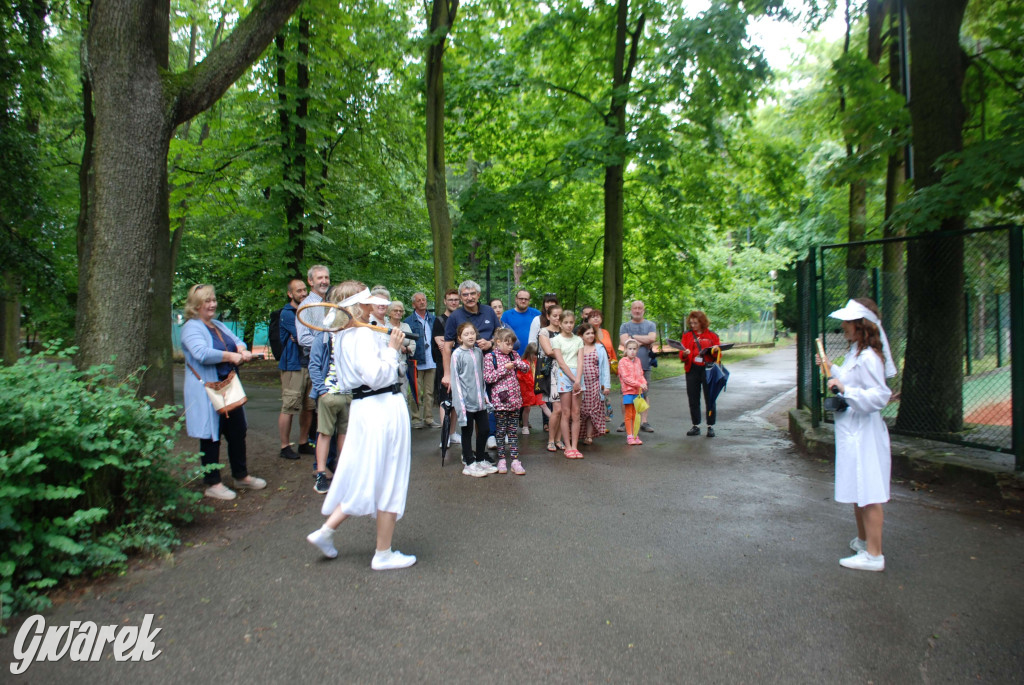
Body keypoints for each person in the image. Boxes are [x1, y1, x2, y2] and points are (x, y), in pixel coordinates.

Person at [306, 282, 416, 571]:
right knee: (389, 476)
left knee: (367, 474)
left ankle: (326, 531)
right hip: (382, 407)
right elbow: (376, 375)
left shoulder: (344, 334)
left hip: (366, 409)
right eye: (367, 301)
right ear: (359, 305)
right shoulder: (362, 333)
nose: (373, 305)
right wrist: (392, 350)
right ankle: (383, 553)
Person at [820, 298, 895, 573]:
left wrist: (845, 390)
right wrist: (832, 369)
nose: (843, 326)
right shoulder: (855, 354)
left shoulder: (869, 358)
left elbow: (879, 396)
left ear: (860, 325)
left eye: (847, 322)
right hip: (852, 430)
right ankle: (864, 541)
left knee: (869, 491)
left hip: (864, 432)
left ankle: (874, 555)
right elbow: (849, 382)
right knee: (857, 488)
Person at [181, 284, 265, 500]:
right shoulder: (192, 327)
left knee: (237, 431)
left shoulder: (217, 324)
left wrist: (242, 350)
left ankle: (241, 476)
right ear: (196, 305)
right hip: (208, 390)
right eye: (207, 301)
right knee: (211, 435)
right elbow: (201, 353)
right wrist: (230, 357)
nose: (212, 304)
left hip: (228, 388)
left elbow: (236, 341)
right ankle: (213, 483)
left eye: (213, 300)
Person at [441, 280, 499, 449]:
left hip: (489, 366)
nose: (469, 297)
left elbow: (499, 334)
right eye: (465, 295)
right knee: (471, 409)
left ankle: (488, 440)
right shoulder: (455, 317)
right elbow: (447, 346)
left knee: (488, 405)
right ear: (460, 297)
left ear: (478, 295)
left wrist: (490, 343)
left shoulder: (489, 311)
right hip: (466, 371)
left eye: (472, 293)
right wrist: (447, 374)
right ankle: (468, 452)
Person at [307, 285, 350, 495]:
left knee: (344, 434)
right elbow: (314, 365)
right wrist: (322, 390)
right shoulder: (323, 336)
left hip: (347, 393)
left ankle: (342, 473)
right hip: (329, 394)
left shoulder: (351, 334)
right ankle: (321, 474)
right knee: (324, 434)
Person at [449, 322, 496, 478]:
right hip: (465, 402)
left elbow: (481, 377)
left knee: (484, 429)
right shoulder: (457, 355)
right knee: (467, 432)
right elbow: (455, 381)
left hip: (480, 401)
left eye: (472, 333)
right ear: (460, 338)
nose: (470, 336)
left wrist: (485, 396)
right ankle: (469, 463)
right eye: (466, 334)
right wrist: (460, 403)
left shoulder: (478, 352)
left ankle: (481, 458)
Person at [482, 328, 530, 475]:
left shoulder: (514, 355)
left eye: (512, 344)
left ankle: (515, 460)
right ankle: (502, 458)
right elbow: (488, 378)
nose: (510, 347)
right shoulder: (490, 357)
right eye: (507, 344)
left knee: (513, 432)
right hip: (500, 400)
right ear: (498, 342)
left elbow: (526, 368)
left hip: (515, 399)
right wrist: (504, 368)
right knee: (501, 431)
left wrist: (517, 363)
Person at [278, 278, 316, 459]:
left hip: (309, 364)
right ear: (290, 294)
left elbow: (311, 333)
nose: (303, 294)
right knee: (290, 405)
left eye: (304, 290)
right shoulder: (287, 313)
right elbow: (301, 335)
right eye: (298, 291)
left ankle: (303, 442)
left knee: (309, 406)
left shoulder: (308, 310)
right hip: (293, 365)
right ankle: (284, 446)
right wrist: (306, 334)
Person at [295, 265, 330, 448]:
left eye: (326, 277)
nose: (324, 281)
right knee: (316, 406)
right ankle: (320, 454)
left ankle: (324, 449)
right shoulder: (306, 306)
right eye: (319, 278)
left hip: (331, 366)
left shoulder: (330, 304)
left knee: (324, 409)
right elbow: (303, 338)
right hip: (315, 364)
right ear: (310, 281)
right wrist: (325, 345)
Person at [679, 310, 722, 438]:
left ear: (702, 322)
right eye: (691, 323)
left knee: (710, 398)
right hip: (692, 369)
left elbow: (718, 354)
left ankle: (710, 426)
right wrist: (685, 354)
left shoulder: (712, 335)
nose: (693, 325)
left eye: (696, 323)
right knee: (693, 398)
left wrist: (714, 351)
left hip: (708, 369)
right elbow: (681, 354)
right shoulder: (687, 335)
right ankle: (695, 425)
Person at [618, 300, 657, 433]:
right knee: (626, 394)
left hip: (645, 365)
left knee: (644, 393)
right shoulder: (625, 326)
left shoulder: (650, 325)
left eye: (640, 308)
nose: (637, 310)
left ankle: (644, 421)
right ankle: (626, 420)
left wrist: (633, 337)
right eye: (635, 308)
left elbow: (652, 338)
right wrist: (643, 340)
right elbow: (624, 342)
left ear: (644, 310)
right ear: (631, 310)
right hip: (627, 367)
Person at [551, 310, 584, 459]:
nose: (569, 325)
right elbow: (561, 362)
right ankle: (568, 446)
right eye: (566, 322)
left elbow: (580, 360)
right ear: (560, 323)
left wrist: (578, 379)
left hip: (578, 375)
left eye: (571, 322)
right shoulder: (556, 340)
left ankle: (575, 446)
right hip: (564, 375)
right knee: (566, 412)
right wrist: (573, 379)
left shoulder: (578, 340)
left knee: (576, 412)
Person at [432, 288, 462, 444]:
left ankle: (452, 433)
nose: (454, 302)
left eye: (456, 299)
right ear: (445, 301)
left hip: (460, 365)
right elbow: (442, 345)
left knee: (456, 400)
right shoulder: (439, 320)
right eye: (451, 300)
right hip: (444, 366)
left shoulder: (462, 318)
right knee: (445, 400)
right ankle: (444, 436)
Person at [404, 292, 437, 429]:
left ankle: (429, 418)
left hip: (431, 360)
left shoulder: (433, 319)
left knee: (429, 392)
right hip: (416, 360)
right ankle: (416, 418)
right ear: (414, 304)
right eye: (419, 301)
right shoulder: (408, 321)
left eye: (424, 300)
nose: (422, 302)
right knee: (415, 391)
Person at [577, 323, 611, 445]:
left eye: (592, 333)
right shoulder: (577, 348)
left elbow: (605, 368)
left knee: (592, 411)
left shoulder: (599, 348)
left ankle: (589, 436)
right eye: (588, 333)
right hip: (580, 384)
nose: (591, 335)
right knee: (580, 410)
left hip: (595, 384)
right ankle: (575, 435)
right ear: (581, 336)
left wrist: (606, 385)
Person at [536, 303, 564, 451]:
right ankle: (551, 440)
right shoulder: (544, 332)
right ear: (548, 316)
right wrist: (568, 351)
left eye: (560, 315)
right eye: (554, 315)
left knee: (564, 409)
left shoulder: (566, 332)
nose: (557, 318)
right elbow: (549, 351)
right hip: (552, 372)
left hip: (566, 372)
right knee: (557, 408)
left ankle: (559, 439)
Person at [385, 300, 416, 405]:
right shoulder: (385, 326)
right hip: (388, 365)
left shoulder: (406, 326)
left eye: (400, 311)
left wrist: (407, 349)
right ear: (389, 312)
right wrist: (398, 345)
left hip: (403, 365)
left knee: (403, 393)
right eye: (395, 310)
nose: (398, 313)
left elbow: (413, 343)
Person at [617, 340, 648, 445]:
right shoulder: (622, 361)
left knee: (636, 414)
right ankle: (629, 435)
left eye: (634, 349)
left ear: (637, 350)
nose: (632, 351)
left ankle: (635, 435)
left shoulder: (638, 361)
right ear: (625, 350)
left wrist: (644, 383)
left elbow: (641, 374)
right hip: (628, 391)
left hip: (638, 392)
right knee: (628, 414)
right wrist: (639, 384)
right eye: (630, 349)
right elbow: (626, 378)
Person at [517, 343, 549, 434]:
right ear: (529, 353)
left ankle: (554, 421)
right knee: (527, 407)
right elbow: (523, 377)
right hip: (527, 389)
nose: (536, 356)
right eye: (535, 354)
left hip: (537, 388)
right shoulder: (523, 363)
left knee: (543, 405)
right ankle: (525, 426)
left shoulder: (537, 363)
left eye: (537, 354)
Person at [502, 289, 540, 356]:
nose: (523, 301)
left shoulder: (536, 314)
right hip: (512, 355)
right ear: (516, 299)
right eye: (521, 298)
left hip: (533, 355)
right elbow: (502, 335)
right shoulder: (506, 315)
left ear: (529, 300)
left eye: (526, 299)